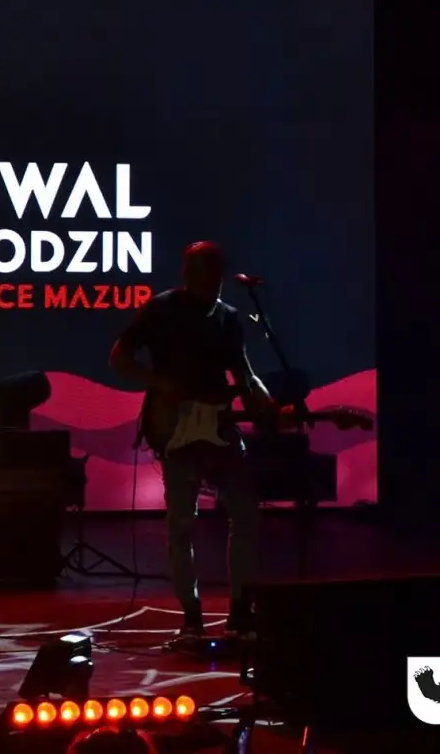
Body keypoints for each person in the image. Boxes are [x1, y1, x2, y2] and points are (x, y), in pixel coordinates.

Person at [108, 241, 288, 640]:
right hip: (178, 429)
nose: (213, 282)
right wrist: (159, 383)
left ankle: (240, 609)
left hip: (219, 425)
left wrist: (271, 407)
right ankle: (191, 616)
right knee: (181, 525)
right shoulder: (160, 309)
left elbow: (244, 375)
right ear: (188, 274)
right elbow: (119, 358)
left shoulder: (228, 318)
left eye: (217, 274)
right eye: (205, 273)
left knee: (245, 515)